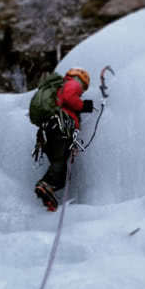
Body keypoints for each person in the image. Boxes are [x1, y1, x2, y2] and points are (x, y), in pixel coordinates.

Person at [34, 67, 94, 211]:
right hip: (60, 127)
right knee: (60, 161)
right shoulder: (71, 83)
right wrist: (84, 105)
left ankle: (48, 195)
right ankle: (45, 184)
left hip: (48, 131)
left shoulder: (57, 91)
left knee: (61, 174)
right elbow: (69, 97)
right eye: (84, 87)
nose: (82, 91)